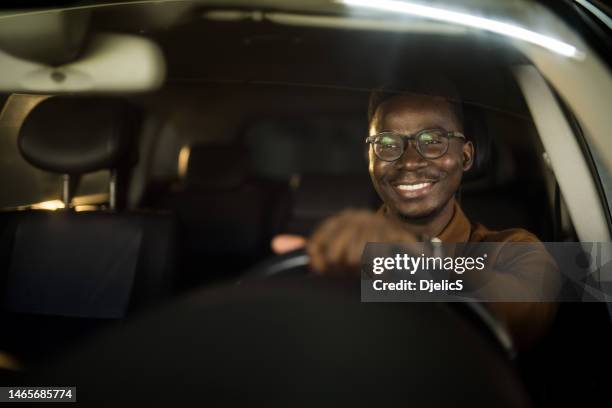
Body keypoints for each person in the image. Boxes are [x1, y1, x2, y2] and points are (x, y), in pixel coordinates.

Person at [272, 83, 559, 350]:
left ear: (466, 156)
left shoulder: (513, 251)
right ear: (369, 157)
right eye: (386, 144)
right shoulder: (333, 256)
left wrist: (409, 256)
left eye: (433, 140)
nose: (408, 161)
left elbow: (526, 309)